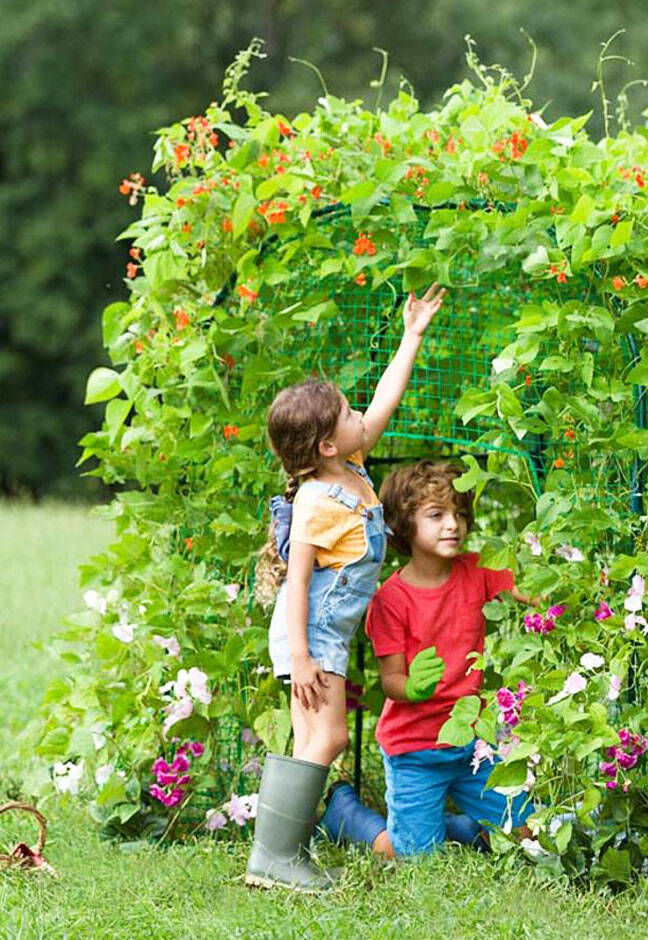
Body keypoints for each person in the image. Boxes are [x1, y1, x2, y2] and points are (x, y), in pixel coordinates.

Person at [245, 285, 455, 892]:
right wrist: (305, 659)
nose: (362, 415)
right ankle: (275, 856)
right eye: (348, 414)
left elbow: (386, 399)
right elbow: (298, 583)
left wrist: (411, 336)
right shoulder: (317, 500)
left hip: (316, 637)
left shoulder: (353, 470)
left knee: (313, 739)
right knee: (330, 736)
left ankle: (280, 852)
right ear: (326, 446)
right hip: (308, 637)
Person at [319, 460, 533, 858]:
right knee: (412, 855)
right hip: (415, 751)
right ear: (404, 525)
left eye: (460, 514)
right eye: (436, 515)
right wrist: (413, 687)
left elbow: (534, 591)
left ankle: (463, 825)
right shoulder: (390, 600)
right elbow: (391, 682)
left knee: (531, 834)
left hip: (474, 746)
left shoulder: (478, 570)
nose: (452, 524)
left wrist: (575, 588)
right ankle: (345, 813)